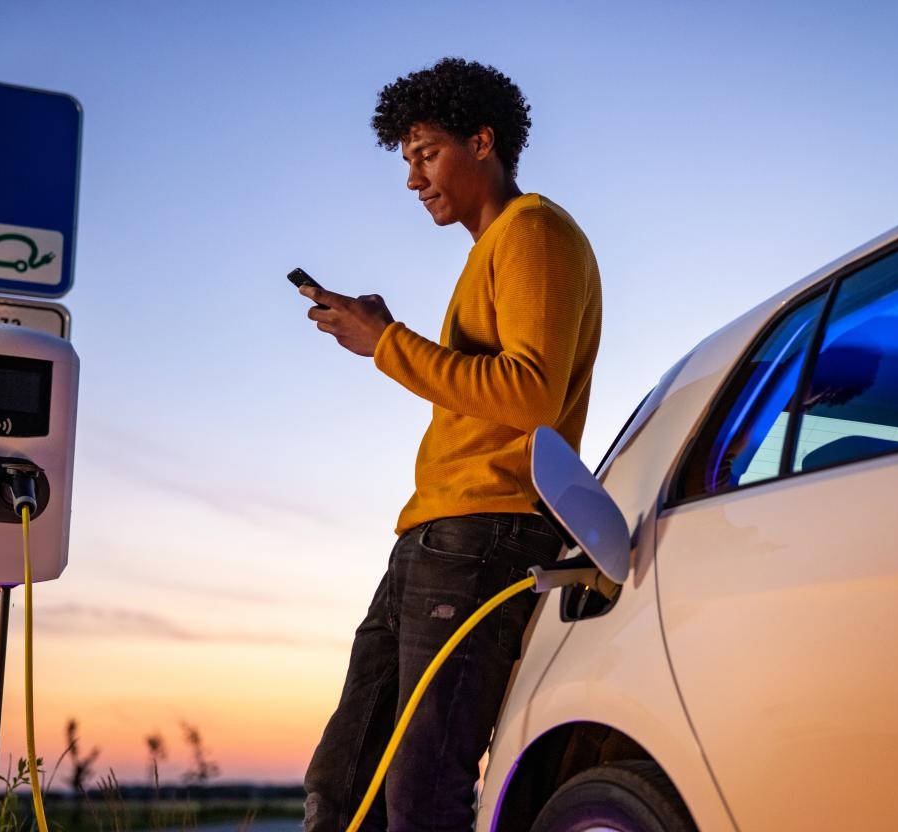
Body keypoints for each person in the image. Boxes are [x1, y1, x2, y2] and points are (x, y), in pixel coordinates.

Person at [298, 57, 602, 831]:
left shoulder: (534, 231)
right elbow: (480, 385)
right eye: (406, 160)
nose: (413, 179)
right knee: (343, 783)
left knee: (422, 792)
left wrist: (386, 342)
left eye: (425, 153)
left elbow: (530, 391)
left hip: (485, 529)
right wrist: (388, 335)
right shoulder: (490, 251)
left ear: (482, 141)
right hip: (432, 531)